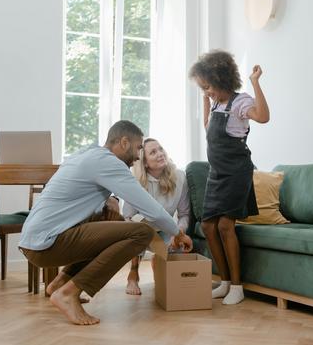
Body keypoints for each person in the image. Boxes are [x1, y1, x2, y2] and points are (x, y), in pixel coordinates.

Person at [18, 121, 193, 325]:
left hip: (34, 241)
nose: (138, 156)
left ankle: (60, 282)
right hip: (47, 244)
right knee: (142, 232)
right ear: (124, 142)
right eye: (138, 148)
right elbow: (150, 208)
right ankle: (69, 294)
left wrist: (111, 200)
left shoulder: (87, 154)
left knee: (112, 219)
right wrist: (178, 233)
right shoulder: (109, 163)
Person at [188, 50, 270, 305]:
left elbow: (264, 117)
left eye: (208, 86)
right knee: (208, 226)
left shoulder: (241, 102)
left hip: (237, 172)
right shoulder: (215, 103)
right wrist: (205, 100)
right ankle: (224, 282)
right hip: (217, 173)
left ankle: (237, 286)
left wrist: (255, 82)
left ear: (222, 79)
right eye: (203, 87)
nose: (206, 91)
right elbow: (207, 129)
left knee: (225, 226)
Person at [122, 138, 191, 295]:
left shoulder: (180, 177)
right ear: (145, 162)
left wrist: (178, 232)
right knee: (135, 229)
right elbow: (127, 216)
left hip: (166, 230)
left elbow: (184, 214)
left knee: (178, 247)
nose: (160, 154)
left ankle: (158, 262)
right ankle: (133, 274)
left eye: (160, 149)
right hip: (141, 230)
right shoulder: (135, 181)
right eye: (153, 152)